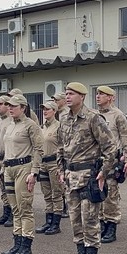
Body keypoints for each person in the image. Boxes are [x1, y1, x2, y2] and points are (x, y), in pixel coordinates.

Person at [57, 82, 116, 254]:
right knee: (75, 219)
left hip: (89, 176)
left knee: (89, 218)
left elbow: (110, 147)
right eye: (66, 93)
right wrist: (61, 169)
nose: (68, 96)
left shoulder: (93, 118)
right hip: (70, 176)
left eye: (72, 93)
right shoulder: (64, 119)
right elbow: (60, 147)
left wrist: (104, 171)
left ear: (82, 96)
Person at [0, 94, 44, 254]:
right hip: (9, 168)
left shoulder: (30, 125)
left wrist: (34, 172)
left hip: (24, 168)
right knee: (15, 209)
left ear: (23, 108)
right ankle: (17, 243)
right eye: (8, 106)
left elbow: (39, 149)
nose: (10, 108)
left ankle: (26, 246)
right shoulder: (10, 125)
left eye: (14, 106)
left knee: (24, 207)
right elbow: (7, 149)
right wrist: (3, 168)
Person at [95, 85, 127, 243]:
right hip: (97, 160)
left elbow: (125, 137)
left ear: (111, 97)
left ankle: (111, 226)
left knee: (110, 194)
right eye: (97, 93)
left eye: (102, 94)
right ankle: (101, 224)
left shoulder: (118, 115)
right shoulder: (94, 115)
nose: (98, 96)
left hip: (112, 160)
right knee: (97, 192)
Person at [35, 100, 64, 235]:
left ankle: (56, 224)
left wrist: (61, 166)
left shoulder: (59, 127)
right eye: (43, 109)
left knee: (56, 193)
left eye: (47, 109)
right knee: (46, 194)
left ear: (54, 111)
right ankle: (49, 220)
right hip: (43, 163)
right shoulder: (42, 128)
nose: (44, 111)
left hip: (54, 163)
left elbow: (63, 147)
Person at [0, 95, 14, 227]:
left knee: (10, 188)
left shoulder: (12, 121)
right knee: (3, 188)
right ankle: (6, 212)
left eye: (1, 104)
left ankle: (13, 214)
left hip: (7, 158)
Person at [52, 90, 70, 218]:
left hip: (66, 150)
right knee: (59, 182)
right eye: (53, 100)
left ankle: (67, 207)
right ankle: (62, 206)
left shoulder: (66, 114)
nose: (55, 102)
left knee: (65, 182)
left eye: (57, 100)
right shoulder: (57, 114)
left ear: (64, 101)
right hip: (57, 150)